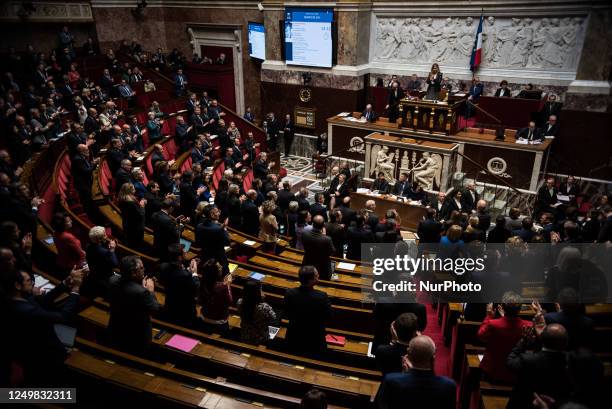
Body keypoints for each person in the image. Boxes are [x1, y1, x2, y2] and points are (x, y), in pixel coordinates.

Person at [4, 267, 83, 386]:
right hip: (43, 355)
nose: (32, 282)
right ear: (17, 285)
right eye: (28, 280)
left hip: (30, 346)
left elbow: (44, 300)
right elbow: (62, 317)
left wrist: (65, 283)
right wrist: (75, 290)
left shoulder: (16, 298)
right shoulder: (25, 310)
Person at [376, 335, 456, 409]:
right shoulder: (448, 386)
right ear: (433, 357)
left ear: (408, 355)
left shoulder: (391, 380)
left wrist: (405, 375)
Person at [506, 324, 571, 409]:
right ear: (566, 342)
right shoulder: (573, 362)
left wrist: (523, 341)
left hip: (524, 403)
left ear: (542, 339)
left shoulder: (527, 360)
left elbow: (510, 362)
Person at [108, 256, 159, 355]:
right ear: (133, 273)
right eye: (141, 268)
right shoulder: (142, 292)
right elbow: (155, 309)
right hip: (137, 337)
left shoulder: (112, 280)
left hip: (116, 329)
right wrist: (151, 291)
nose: (144, 270)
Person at [478, 292, 533, 383]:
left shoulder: (493, 324)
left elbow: (481, 336)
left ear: (503, 307)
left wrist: (489, 316)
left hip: (492, 371)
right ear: (520, 309)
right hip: (515, 373)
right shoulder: (528, 326)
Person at [284, 266, 332, 356]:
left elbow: (286, 314)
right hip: (315, 338)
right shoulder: (322, 296)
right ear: (311, 280)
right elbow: (329, 316)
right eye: (316, 275)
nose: (318, 276)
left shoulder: (289, 293)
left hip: (293, 336)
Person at [159, 243, 200, 326]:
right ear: (179, 257)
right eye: (184, 252)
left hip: (170, 305)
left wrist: (187, 270)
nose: (186, 253)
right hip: (185, 311)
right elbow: (196, 288)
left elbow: (176, 274)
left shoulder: (163, 267)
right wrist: (194, 273)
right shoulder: (185, 275)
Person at [198, 259, 232, 335]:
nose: (221, 267)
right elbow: (229, 301)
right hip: (219, 323)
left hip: (204, 318)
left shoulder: (203, 283)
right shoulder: (222, 287)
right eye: (219, 267)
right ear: (215, 272)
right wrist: (228, 284)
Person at [237, 279, 277, 345]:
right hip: (261, 339)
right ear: (258, 291)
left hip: (245, 335)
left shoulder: (239, 302)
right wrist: (262, 300)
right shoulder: (264, 307)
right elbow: (273, 318)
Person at [84, 226, 118, 299]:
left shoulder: (88, 246)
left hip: (94, 274)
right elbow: (115, 264)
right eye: (105, 235)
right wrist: (112, 249)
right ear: (99, 239)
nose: (106, 236)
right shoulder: (103, 252)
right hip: (105, 277)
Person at [301, 215, 335, 281]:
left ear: (313, 224)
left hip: (307, 263)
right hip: (322, 267)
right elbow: (332, 252)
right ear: (323, 226)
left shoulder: (304, 234)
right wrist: (324, 236)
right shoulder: (327, 239)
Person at [117, 182, 146, 249]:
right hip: (135, 227)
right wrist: (142, 206)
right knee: (136, 244)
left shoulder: (122, 198)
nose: (135, 190)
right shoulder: (130, 203)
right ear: (129, 191)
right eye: (133, 189)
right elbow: (140, 214)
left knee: (130, 241)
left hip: (127, 223)